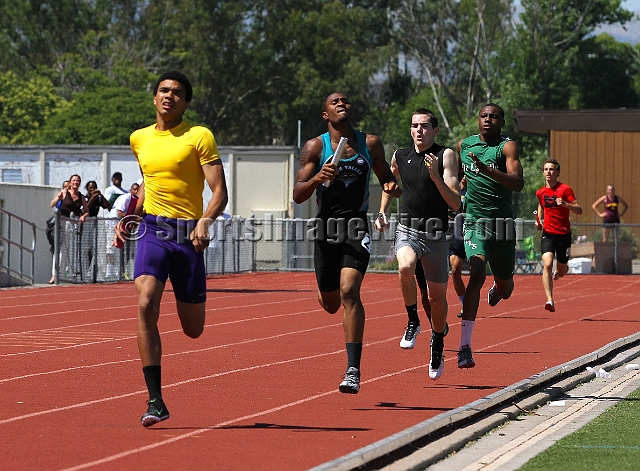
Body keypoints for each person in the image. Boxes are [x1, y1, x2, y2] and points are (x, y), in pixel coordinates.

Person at [114, 71, 228, 427]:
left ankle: (157, 397)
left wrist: (205, 221)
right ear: (154, 98)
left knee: (193, 329)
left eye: (177, 93)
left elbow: (219, 191)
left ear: (186, 102)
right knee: (146, 300)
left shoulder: (199, 136)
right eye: (163, 91)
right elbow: (149, 182)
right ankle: (155, 400)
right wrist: (131, 216)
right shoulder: (139, 138)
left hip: (187, 235)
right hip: (152, 229)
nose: (169, 96)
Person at [292, 92, 401, 394]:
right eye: (334, 102)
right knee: (331, 304)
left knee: (349, 291)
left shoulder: (370, 144)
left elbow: (389, 182)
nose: (341, 103)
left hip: (356, 224)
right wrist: (317, 179)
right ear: (325, 114)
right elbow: (297, 193)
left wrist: (392, 186)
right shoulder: (316, 146)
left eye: (345, 100)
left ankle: (353, 369)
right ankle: (325, 289)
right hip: (326, 228)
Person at [375, 108, 461, 380]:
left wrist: (436, 176)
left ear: (435, 130)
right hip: (408, 228)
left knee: (437, 300)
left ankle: (437, 343)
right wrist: (382, 212)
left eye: (425, 126)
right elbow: (390, 184)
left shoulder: (445, 155)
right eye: (414, 126)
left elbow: (456, 202)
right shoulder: (400, 155)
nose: (419, 131)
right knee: (405, 267)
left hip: (436, 235)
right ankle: (413, 320)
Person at [456, 103, 524, 369]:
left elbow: (517, 183)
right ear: (477, 120)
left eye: (493, 117)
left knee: (506, 289)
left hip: (503, 224)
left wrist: (488, 172)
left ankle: (501, 286)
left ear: (502, 122)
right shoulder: (465, 145)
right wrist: (461, 184)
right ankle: (465, 347)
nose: (488, 120)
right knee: (475, 273)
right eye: (484, 116)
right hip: (475, 221)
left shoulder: (507, 147)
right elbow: (459, 175)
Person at [535, 158, 582, 312]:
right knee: (547, 263)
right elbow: (541, 205)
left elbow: (579, 210)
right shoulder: (540, 192)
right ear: (543, 172)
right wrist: (539, 221)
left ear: (557, 173)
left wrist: (566, 204)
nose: (548, 172)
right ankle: (549, 300)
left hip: (563, 235)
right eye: (546, 169)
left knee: (561, 270)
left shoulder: (565, 190)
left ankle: (561, 270)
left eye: (551, 169)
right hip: (548, 233)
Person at [49, 175, 88, 283]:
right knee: (60, 249)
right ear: (70, 183)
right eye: (74, 180)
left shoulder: (81, 197)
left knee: (70, 250)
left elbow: (87, 211)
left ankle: (64, 274)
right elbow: (52, 204)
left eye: (77, 181)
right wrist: (58, 198)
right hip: (62, 222)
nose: (75, 182)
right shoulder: (64, 192)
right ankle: (55, 274)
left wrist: (83, 216)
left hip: (73, 224)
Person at [79, 181, 112, 282]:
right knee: (85, 249)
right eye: (90, 188)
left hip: (95, 223)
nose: (92, 190)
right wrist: (92, 199)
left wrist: (101, 195)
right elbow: (85, 210)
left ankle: (93, 273)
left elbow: (108, 206)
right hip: (86, 223)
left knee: (95, 248)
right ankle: (83, 273)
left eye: (94, 188)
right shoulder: (84, 198)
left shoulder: (98, 199)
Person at [450, 175, 467, 318]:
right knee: (455, 269)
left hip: (478, 234)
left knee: (477, 273)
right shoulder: (454, 190)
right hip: (459, 234)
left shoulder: (479, 189)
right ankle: (465, 303)